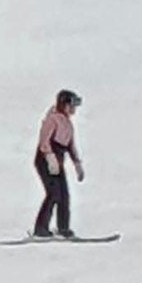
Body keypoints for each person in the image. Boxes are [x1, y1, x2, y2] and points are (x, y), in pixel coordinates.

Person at [33, 89, 85, 239]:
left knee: (64, 195)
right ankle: (40, 228)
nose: (73, 109)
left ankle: (63, 228)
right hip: (45, 160)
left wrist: (77, 164)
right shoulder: (53, 119)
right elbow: (44, 141)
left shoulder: (67, 123)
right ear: (64, 105)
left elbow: (70, 145)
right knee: (53, 193)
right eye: (71, 105)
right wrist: (50, 157)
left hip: (58, 162)